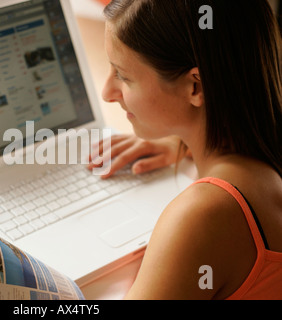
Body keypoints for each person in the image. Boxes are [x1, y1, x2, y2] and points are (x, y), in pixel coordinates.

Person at [88, 0, 282, 299]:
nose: (108, 93)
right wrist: (181, 138)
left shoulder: (202, 216)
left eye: (123, 76)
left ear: (195, 87)